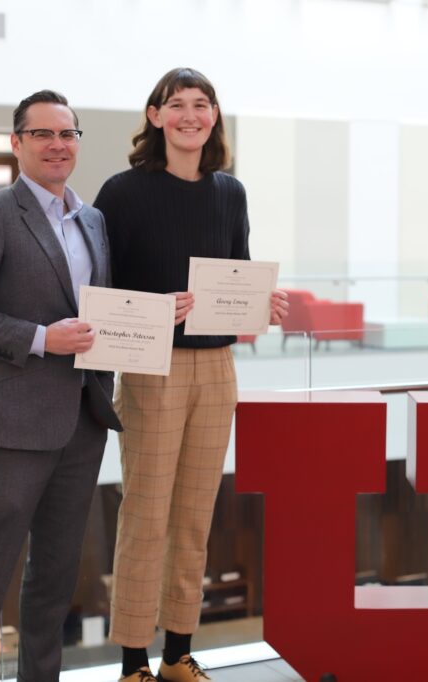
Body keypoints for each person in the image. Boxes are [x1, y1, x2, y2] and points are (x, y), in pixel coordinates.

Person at [94, 68, 288, 682]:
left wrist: (265, 305)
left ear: (214, 117)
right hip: (151, 368)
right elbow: (98, 289)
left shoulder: (230, 192)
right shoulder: (121, 192)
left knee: (196, 517)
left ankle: (177, 653)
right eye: (175, 104)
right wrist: (156, 306)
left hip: (218, 367)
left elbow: (237, 275)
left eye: (201, 105)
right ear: (154, 116)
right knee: (145, 516)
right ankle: (132, 663)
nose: (189, 115)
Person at [0, 89, 123, 682]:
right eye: (42, 134)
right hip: (8, 427)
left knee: (55, 579)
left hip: (81, 423)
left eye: (66, 134)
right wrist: (43, 337)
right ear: (17, 143)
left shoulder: (91, 219)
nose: (56, 145)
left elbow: (98, 310)